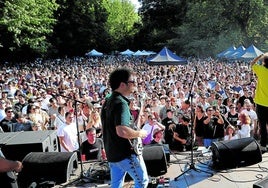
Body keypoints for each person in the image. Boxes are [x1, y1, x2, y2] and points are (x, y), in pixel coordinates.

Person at [101, 68, 149, 188]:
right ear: (122, 84)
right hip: (125, 154)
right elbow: (121, 131)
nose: (135, 85)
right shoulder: (121, 103)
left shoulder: (108, 100)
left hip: (112, 152)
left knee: (116, 184)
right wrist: (140, 134)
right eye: (133, 82)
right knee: (142, 181)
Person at [251, 53, 268, 152]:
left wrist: (259, 56)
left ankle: (263, 145)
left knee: (262, 125)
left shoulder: (261, 70)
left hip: (261, 103)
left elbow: (252, 64)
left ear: (264, 62)